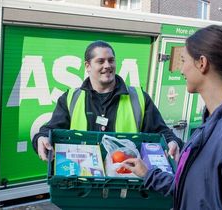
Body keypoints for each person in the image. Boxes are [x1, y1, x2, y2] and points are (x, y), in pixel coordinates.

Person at [123, 25, 222, 210]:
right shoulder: (211, 126)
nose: (181, 70)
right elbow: (196, 194)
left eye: (183, 60)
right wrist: (149, 174)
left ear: (202, 63)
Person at [32, 40, 183, 161]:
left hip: (125, 184)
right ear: (88, 66)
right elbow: (49, 130)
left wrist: (173, 142)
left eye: (111, 60)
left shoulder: (139, 97)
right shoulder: (71, 98)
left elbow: (162, 132)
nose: (107, 66)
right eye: (101, 61)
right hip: (83, 186)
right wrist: (41, 138)